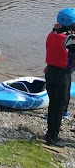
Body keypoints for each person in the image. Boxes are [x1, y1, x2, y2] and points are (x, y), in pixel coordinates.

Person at [44, 8, 75, 147]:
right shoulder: (69, 39)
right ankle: (52, 137)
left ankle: (50, 133)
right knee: (59, 106)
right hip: (62, 76)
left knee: (53, 104)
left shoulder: (51, 34)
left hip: (50, 72)